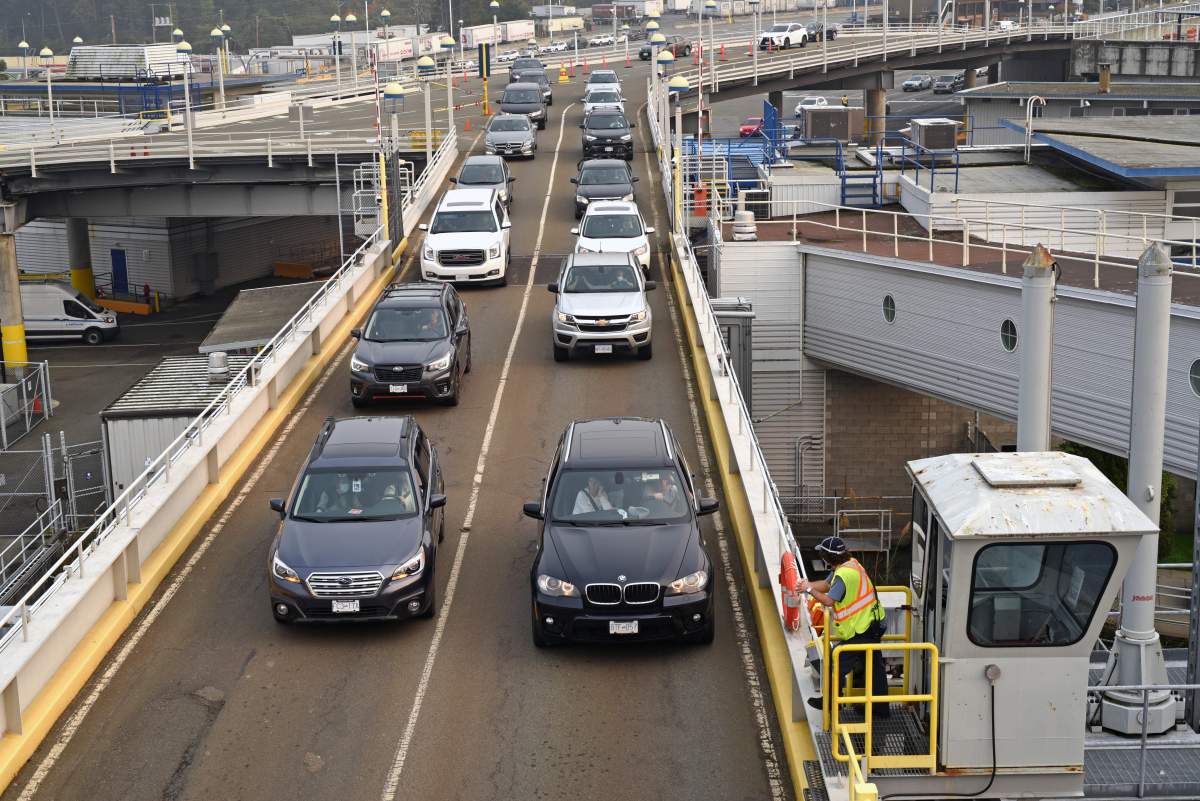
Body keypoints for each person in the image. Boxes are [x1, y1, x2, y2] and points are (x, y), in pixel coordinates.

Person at [799, 536, 890, 719]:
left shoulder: (844, 575)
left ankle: (832, 703)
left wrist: (809, 591)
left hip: (863, 629)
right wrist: (806, 585)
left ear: (828, 558)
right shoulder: (850, 565)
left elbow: (829, 600)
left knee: (837, 659)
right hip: (873, 623)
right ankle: (880, 710)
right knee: (874, 667)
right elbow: (825, 585)